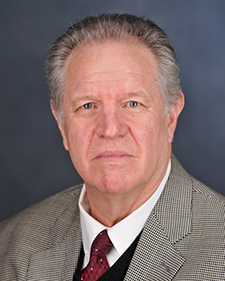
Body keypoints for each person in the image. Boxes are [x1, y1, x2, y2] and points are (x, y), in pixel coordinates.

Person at [0, 13, 224, 281]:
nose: (110, 129)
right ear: (61, 122)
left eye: (132, 103)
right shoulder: (10, 246)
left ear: (171, 117)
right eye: (87, 106)